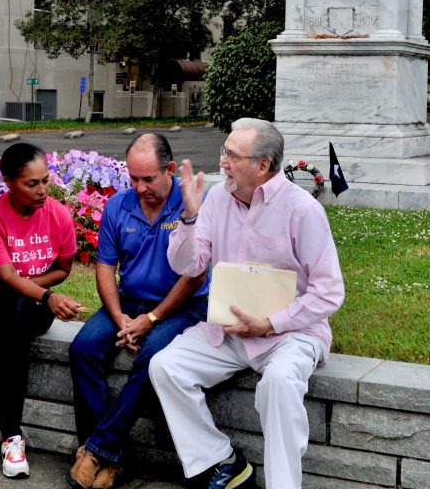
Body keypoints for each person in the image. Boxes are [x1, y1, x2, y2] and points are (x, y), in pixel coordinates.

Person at [148, 118, 345, 489]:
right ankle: (220, 459)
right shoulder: (217, 198)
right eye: (224, 151)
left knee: (280, 383)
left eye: (232, 155)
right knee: (165, 367)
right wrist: (189, 216)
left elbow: (329, 291)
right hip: (229, 331)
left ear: (262, 165)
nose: (222, 161)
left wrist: (270, 324)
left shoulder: (302, 210)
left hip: (290, 334)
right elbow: (187, 266)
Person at [67, 133, 209, 489]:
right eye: (133, 178)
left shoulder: (192, 204)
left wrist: (153, 319)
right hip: (129, 303)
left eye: (148, 178)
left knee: (152, 358)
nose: (139, 187)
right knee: (83, 347)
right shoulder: (119, 205)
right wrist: (119, 317)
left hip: (182, 307)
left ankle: (98, 450)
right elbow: (105, 267)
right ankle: (102, 455)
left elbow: (194, 276)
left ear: (170, 169)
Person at [0, 142, 83, 478]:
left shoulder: (58, 214)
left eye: (45, 181)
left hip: (33, 309)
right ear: (9, 181)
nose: (42, 190)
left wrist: (35, 290)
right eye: (32, 183)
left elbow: (64, 268)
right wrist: (45, 295)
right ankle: (11, 439)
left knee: (18, 309)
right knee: (14, 339)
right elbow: (6, 276)